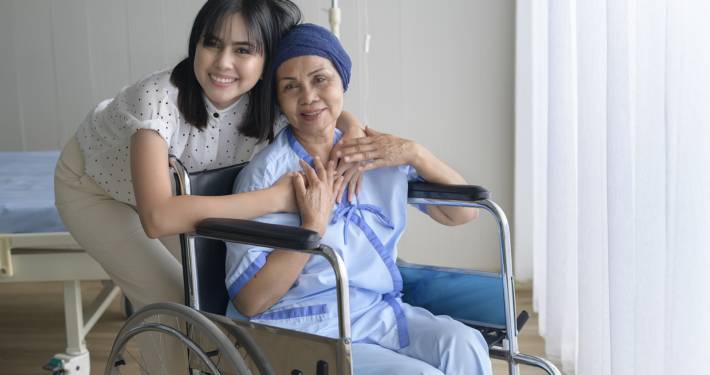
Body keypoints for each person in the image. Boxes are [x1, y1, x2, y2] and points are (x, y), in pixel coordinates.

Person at [53, 0, 363, 313]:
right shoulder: (159, 98)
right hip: (94, 187)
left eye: (243, 50)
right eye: (212, 44)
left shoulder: (269, 99)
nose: (223, 63)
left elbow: (321, 109)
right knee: (179, 304)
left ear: (267, 61)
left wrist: (354, 132)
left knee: (213, 297)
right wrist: (275, 199)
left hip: (173, 195)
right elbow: (158, 218)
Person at [225, 23, 493, 375]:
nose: (308, 97)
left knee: (464, 343)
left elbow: (463, 215)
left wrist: (415, 153)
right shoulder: (265, 176)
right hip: (299, 328)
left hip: (373, 313)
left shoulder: (376, 153)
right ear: (278, 99)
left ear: (342, 82)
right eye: (291, 87)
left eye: (321, 80)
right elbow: (250, 300)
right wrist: (311, 228)